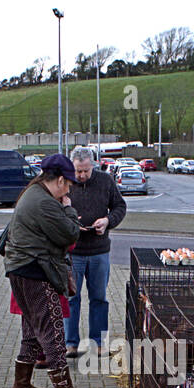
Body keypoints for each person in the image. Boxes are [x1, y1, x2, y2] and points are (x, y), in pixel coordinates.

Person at [2, 154, 96, 388]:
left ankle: (21, 384)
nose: (69, 190)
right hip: (35, 270)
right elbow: (69, 233)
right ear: (59, 181)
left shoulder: (32, 193)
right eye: (68, 184)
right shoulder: (44, 202)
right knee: (52, 328)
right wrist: (68, 208)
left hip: (22, 269)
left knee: (33, 328)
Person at [64, 145, 125, 358]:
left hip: (99, 251)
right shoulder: (65, 182)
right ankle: (70, 344)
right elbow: (52, 211)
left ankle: (98, 343)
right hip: (73, 252)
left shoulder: (105, 181)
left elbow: (120, 207)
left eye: (85, 171)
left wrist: (107, 221)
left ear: (93, 166)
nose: (81, 175)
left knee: (99, 298)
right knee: (72, 298)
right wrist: (70, 224)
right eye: (78, 171)